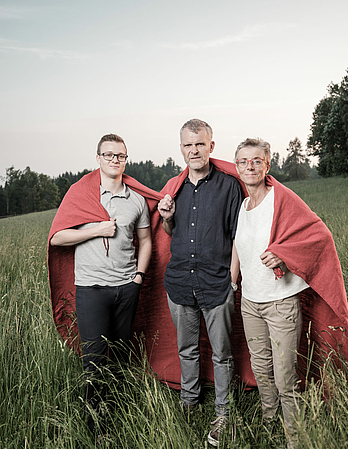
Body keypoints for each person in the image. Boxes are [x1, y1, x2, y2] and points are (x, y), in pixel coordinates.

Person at [49, 134, 152, 433]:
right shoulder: (82, 195)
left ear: (125, 160)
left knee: (120, 356)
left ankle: (118, 414)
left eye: (120, 156)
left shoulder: (136, 200)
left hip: (126, 288)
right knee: (93, 361)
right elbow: (57, 237)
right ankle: (95, 426)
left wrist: (138, 278)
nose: (114, 160)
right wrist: (95, 231)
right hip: (91, 290)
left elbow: (145, 241)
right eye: (108, 155)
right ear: (98, 158)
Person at [157, 119, 242, 446]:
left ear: (211, 146)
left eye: (199, 144)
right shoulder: (173, 187)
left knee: (221, 353)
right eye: (188, 145)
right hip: (179, 284)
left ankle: (223, 413)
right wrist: (166, 217)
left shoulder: (228, 186)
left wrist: (232, 278)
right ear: (181, 149)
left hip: (217, 283)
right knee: (187, 350)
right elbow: (170, 233)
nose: (194, 150)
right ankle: (189, 403)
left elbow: (237, 236)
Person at [231, 138, 308, 448]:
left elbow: (314, 234)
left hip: (281, 302)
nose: (250, 166)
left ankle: (294, 438)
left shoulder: (282, 199)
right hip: (250, 302)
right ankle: (268, 423)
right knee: (261, 369)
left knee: (285, 376)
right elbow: (239, 244)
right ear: (237, 167)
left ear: (267, 165)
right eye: (243, 161)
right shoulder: (243, 204)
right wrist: (233, 280)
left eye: (256, 161)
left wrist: (283, 255)